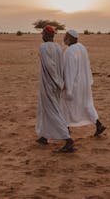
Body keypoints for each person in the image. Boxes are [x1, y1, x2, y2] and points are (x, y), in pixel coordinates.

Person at [35, 25, 75, 153]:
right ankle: (44, 136)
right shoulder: (58, 47)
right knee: (46, 110)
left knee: (52, 111)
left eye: (43, 34)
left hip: (50, 84)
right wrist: (61, 82)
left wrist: (57, 82)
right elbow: (61, 66)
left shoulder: (43, 47)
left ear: (46, 35)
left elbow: (50, 66)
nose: (41, 36)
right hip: (57, 84)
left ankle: (67, 139)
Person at [60, 29, 106, 137]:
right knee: (87, 104)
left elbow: (69, 71)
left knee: (64, 105)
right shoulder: (82, 47)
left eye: (66, 36)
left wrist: (68, 88)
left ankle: (65, 129)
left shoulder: (69, 51)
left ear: (70, 38)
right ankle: (98, 124)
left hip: (74, 85)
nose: (64, 38)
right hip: (84, 84)